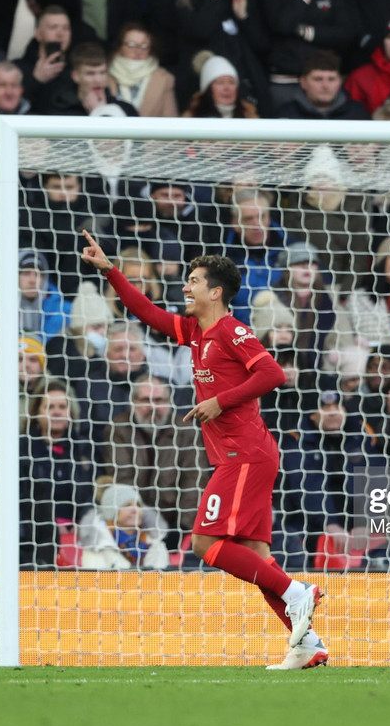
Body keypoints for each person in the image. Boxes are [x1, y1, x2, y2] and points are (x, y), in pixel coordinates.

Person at [80, 229, 326, 670]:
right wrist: (111, 271)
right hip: (243, 454)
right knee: (258, 559)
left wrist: (219, 400)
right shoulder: (195, 330)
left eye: (192, 281)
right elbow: (148, 312)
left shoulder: (231, 329)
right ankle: (307, 643)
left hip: (244, 454)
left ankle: (297, 593)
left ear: (215, 291)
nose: (184, 286)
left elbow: (272, 374)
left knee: (203, 541)